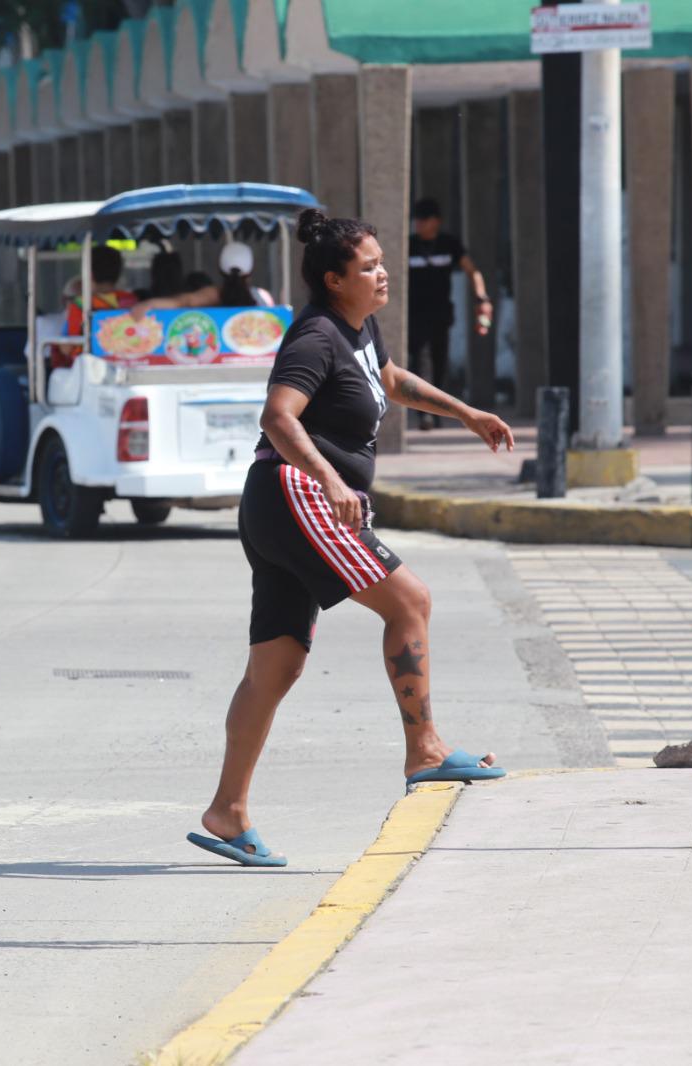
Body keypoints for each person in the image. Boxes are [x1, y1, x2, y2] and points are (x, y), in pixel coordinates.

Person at [186, 208, 515, 868]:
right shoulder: (315, 338)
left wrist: (466, 413)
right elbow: (278, 416)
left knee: (276, 666)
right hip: (295, 493)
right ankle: (424, 749)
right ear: (334, 279)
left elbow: (389, 380)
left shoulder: (358, 328)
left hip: (277, 503)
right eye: (368, 266)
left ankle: (228, 811)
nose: (382, 272)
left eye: (381, 261)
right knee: (410, 601)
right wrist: (330, 479)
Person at [407, 198, 493, 429]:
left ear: (436, 221)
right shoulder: (409, 245)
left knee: (439, 361)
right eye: (417, 219)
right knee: (421, 360)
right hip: (415, 315)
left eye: (424, 220)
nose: (419, 224)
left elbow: (472, 271)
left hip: (441, 314)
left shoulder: (448, 244)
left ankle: (436, 412)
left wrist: (481, 297)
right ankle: (425, 414)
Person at [129, 241, 275, 318]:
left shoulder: (212, 294)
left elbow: (180, 302)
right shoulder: (263, 297)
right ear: (251, 270)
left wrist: (148, 304)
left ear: (219, 267)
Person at [52, 244, 137, 368]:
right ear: (118, 272)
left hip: (90, 368)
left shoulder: (81, 305)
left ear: (89, 273)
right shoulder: (132, 301)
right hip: (128, 363)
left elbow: (67, 348)